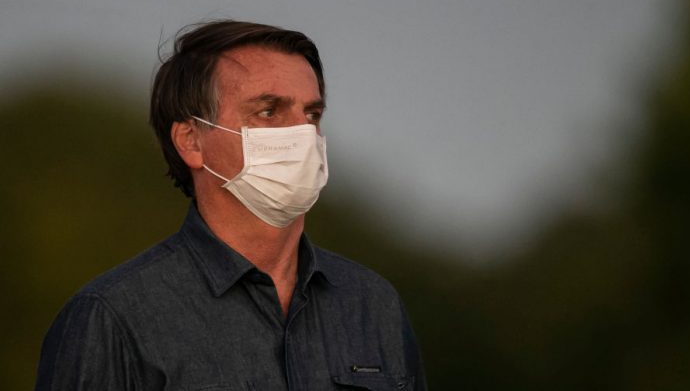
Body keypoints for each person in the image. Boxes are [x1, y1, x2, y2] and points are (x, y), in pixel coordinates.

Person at [35, 21, 425, 390]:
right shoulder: (112, 317)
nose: (302, 133)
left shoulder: (372, 304)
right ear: (191, 140)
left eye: (312, 114)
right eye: (269, 112)